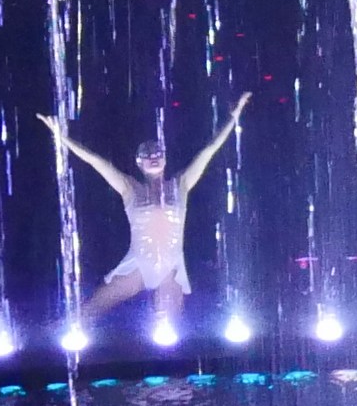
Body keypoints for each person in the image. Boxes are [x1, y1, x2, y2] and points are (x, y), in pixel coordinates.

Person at [49, 92, 252, 323]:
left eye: (157, 153)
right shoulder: (130, 188)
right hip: (138, 263)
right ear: (139, 163)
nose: (153, 157)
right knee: (88, 312)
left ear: (165, 159)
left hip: (171, 266)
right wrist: (61, 137)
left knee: (170, 324)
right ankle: (58, 333)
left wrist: (233, 117)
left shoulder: (180, 184)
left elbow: (209, 150)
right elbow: (96, 161)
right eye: (147, 155)